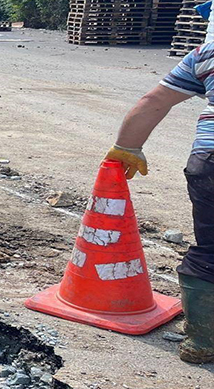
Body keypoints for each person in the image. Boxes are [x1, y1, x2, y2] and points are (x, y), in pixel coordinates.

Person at [107, 25, 214, 364]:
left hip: (209, 162)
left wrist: (126, 148)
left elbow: (155, 99)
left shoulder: (205, 54)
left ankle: (202, 337)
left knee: (211, 248)